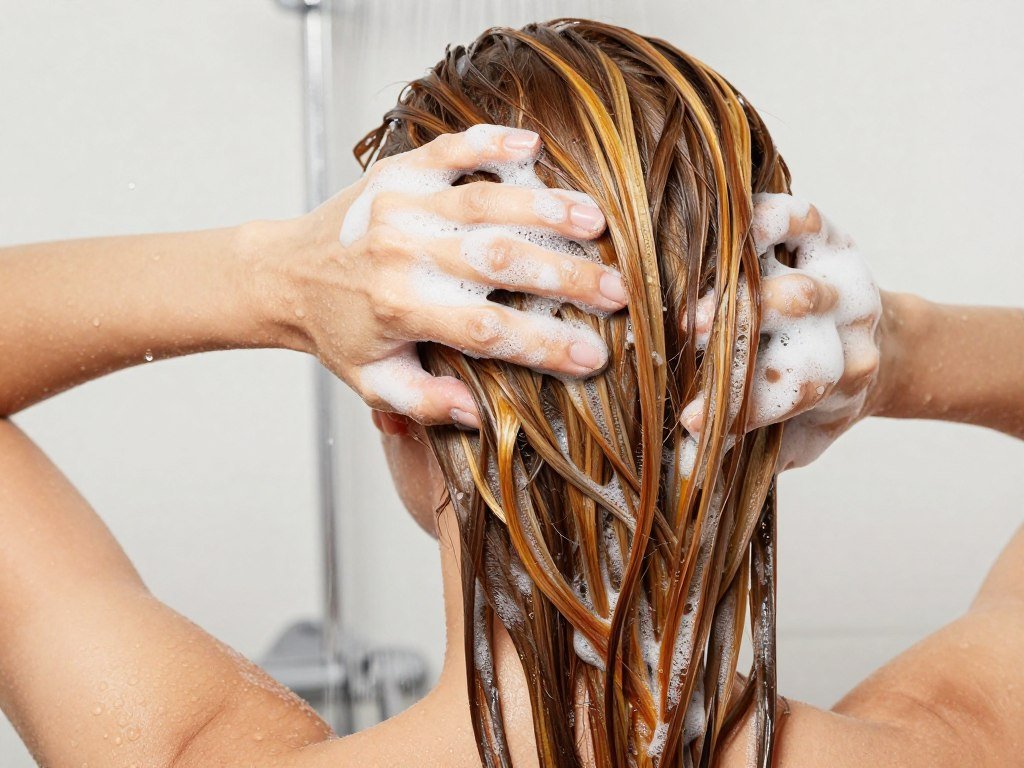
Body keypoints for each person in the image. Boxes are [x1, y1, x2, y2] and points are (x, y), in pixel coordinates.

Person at [0, 18, 1021, 768]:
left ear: (396, 405)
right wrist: (897, 344)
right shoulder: (962, 741)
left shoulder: (187, 754)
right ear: (779, 385)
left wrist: (276, 280)